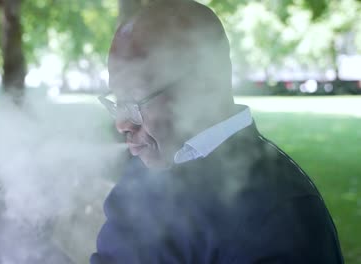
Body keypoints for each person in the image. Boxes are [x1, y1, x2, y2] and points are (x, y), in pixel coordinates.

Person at [91, 0, 344, 263]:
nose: (122, 123)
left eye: (135, 98)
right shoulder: (149, 166)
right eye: (117, 101)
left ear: (204, 84)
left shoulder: (280, 213)